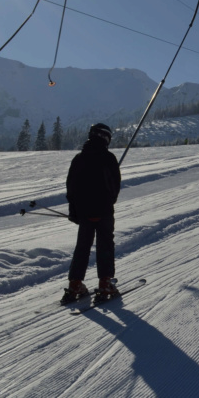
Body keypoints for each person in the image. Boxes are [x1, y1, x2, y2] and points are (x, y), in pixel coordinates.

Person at [65, 123, 121, 300]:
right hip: (104, 211)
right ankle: (105, 283)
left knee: (82, 246)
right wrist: (108, 202)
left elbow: (71, 189)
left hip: (84, 213)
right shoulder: (109, 158)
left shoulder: (78, 159)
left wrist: (74, 211)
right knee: (105, 245)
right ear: (105, 138)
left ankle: (75, 284)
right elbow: (115, 187)